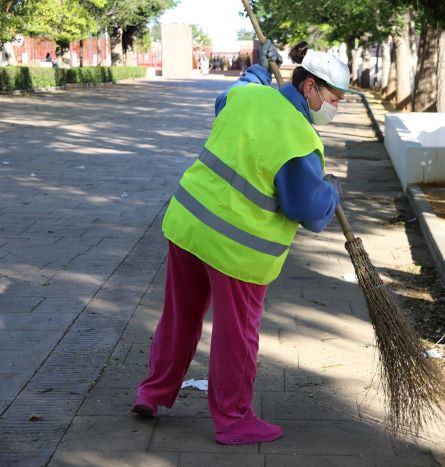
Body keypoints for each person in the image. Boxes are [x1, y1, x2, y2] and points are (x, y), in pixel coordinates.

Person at [131, 40, 350, 446]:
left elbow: (228, 95)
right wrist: (332, 191)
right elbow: (307, 209)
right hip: (237, 251)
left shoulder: (249, 96)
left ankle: (153, 392)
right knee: (237, 335)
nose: (336, 107)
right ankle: (233, 420)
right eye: (334, 98)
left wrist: (260, 68)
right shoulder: (301, 141)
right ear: (309, 88)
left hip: (189, 225)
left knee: (180, 317)